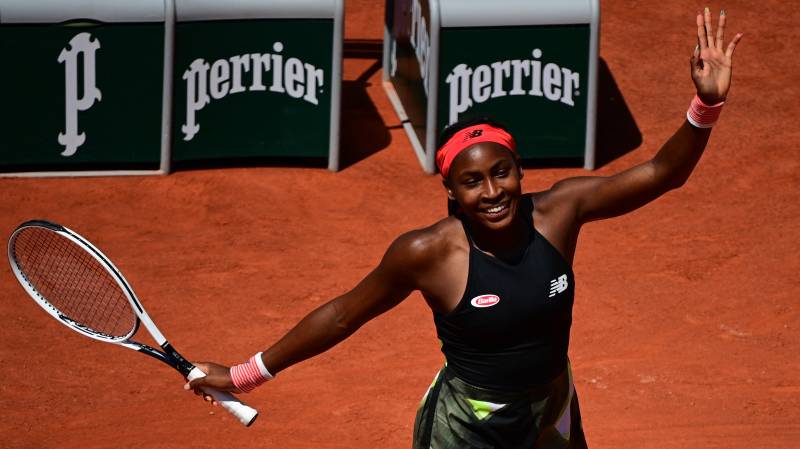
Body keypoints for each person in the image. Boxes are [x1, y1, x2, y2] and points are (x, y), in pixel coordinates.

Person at [186, 9, 742, 448]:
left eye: (502, 172)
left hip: (553, 408)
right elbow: (342, 314)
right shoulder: (426, 252)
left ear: (521, 171)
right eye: (472, 181)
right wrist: (243, 375)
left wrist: (705, 104)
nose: (492, 191)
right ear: (451, 191)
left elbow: (663, 173)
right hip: (467, 429)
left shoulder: (562, 210)